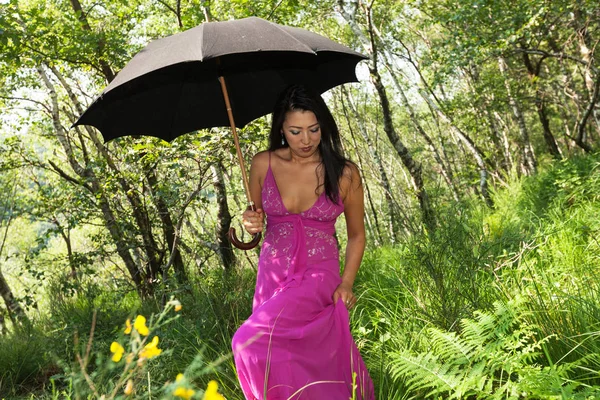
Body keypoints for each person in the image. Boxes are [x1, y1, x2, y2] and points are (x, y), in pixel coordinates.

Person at [231, 84, 375, 400]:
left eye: (314, 129)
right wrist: (249, 221)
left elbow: (356, 235)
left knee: (247, 341)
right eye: (296, 131)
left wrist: (347, 283)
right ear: (281, 128)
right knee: (284, 358)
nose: (306, 140)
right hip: (271, 277)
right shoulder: (262, 163)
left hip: (318, 277)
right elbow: (255, 223)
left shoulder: (345, 173)